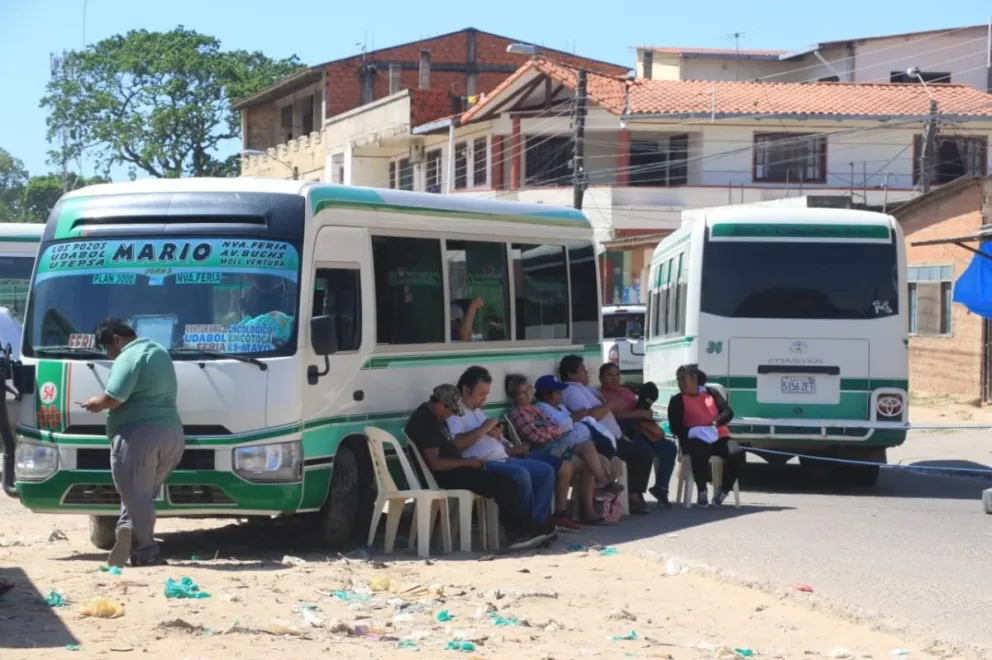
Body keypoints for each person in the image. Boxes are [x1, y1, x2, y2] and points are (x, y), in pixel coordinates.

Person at [81, 318, 184, 567]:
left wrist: (95, 403)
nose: (109, 354)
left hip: (137, 435)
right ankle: (127, 527)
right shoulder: (159, 352)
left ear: (117, 340)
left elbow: (114, 398)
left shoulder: (128, 356)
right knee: (141, 494)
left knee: (135, 493)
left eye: (107, 348)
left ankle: (145, 548)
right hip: (172, 434)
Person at [404, 384, 554, 551]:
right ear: (441, 404)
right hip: (445, 475)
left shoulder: (435, 415)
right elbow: (436, 464)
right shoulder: (426, 422)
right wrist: (468, 462)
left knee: (506, 482)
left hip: (456, 468)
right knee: (504, 484)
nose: (451, 415)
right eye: (451, 411)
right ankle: (520, 533)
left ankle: (529, 529)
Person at [448, 366, 559, 529]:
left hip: (503, 457)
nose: (484, 399)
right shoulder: (454, 412)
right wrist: (483, 429)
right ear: (466, 389)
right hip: (481, 463)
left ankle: (538, 523)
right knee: (521, 474)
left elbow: (485, 434)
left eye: (486, 394)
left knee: (545, 471)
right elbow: (457, 444)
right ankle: (524, 527)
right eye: (481, 394)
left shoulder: (477, 411)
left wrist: (494, 433)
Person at [505, 374, 622, 527]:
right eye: (522, 393)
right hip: (541, 450)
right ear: (514, 396)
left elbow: (553, 428)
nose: (527, 395)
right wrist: (554, 431)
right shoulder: (519, 413)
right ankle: (567, 510)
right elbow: (538, 436)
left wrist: (553, 431)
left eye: (528, 390)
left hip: (555, 445)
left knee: (588, 451)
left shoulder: (534, 410)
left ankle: (591, 505)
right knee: (585, 461)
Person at [557, 355, 655, 514]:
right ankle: (632, 495)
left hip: (614, 436)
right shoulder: (571, 390)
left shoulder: (585, 388)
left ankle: (633, 493)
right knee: (642, 452)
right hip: (602, 441)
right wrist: (610, 404)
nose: (587, 372)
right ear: (571, 374)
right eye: (582, 370)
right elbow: (590, 416)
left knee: (643, 449)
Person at [598, 363, 678, 508]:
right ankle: (635, 493)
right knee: (643, 451)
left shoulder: (626, 391)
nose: (614, 378)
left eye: (617, 375)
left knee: (669, 448)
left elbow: (641, 408)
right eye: (610, 375)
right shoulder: (601, 395)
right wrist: (638, 413)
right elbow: (611, 416)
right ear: (601, 378)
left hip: (642, 428)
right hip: (623, 432)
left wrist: (646, 413)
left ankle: (661, 488)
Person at [666, 364, 744, 507]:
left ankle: (724, 490)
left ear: (694, 379)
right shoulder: (677, 400)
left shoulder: (711, 393)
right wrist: (694, 431)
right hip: (694, 440)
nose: (680, 383)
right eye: (678, 380)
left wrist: (716, 423)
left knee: (737, 452)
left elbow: (727, 412)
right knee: (700, 449)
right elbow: (675, 427)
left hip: (719, 438)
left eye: (683, 379)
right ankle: (702, 490)